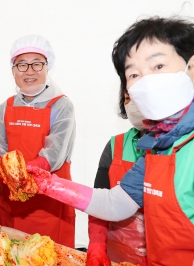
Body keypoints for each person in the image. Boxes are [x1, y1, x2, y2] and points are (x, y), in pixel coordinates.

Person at [27, 17, 194, 265]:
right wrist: (49, 184)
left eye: (158, 66)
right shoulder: (158, 150)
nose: (146, 81)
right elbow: (115, 203)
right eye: (134, 74)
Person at [0, 34, 76, 247]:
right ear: (13, 70)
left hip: (48, 203)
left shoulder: (61, 105)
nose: (29, 71)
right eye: (22, 65)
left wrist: (19, 173)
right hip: (9, 204)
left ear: (47, 68)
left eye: (37, 64)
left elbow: (53, 155)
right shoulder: (5, 107)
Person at [87, 92, 147, 265]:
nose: (131, 104)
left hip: (163, 255)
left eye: (137, 97)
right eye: (127, 99)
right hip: (116, 255)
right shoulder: (115, 145)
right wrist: (97, 245)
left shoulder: (180, 147)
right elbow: (99, 200)